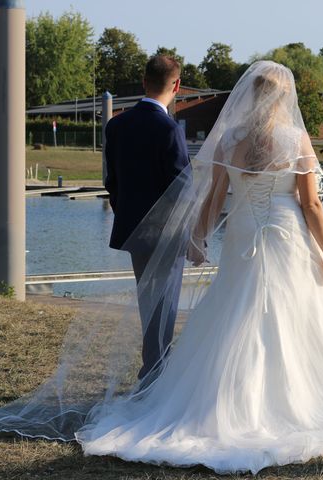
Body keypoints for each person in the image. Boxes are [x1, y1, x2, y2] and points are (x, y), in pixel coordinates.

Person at [74, 61, 323, 474]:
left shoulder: (230, 139)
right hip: (286, 233)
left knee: (236, 309)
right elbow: (312, 204)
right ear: (285, 97)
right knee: (296, 313)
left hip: (243, 233)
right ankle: (295, 399)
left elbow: (214, 198)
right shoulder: (295, 137)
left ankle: (224, 400)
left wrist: (200, 236)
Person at [104, 54, 190, 379]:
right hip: (167, 233)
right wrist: (192, 233)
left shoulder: (117, 125)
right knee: (165, 307)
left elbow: (112, 180)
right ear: (177, 86)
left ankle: (153, 369)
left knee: (148, 304)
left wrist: (124, 212)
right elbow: (183, 188)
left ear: (144, 81)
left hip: (134, 230)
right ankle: (154, 374)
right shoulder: (169, 129)